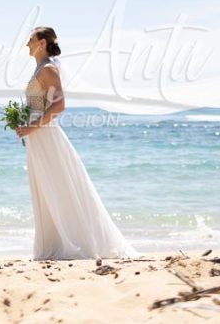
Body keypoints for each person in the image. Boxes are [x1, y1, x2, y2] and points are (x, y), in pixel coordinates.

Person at [16, 26, 137, 260]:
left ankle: (71, 242)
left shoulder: (49, 69)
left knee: (57, 186)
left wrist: (32, 126)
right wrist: (23, 121)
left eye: (30, 40)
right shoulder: (41, 68)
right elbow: (39, 104)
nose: (26, 44)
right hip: (37, 137)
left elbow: (59, 105)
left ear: (42, 43)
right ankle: (54, 242)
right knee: (46, 187)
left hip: (46, 136)